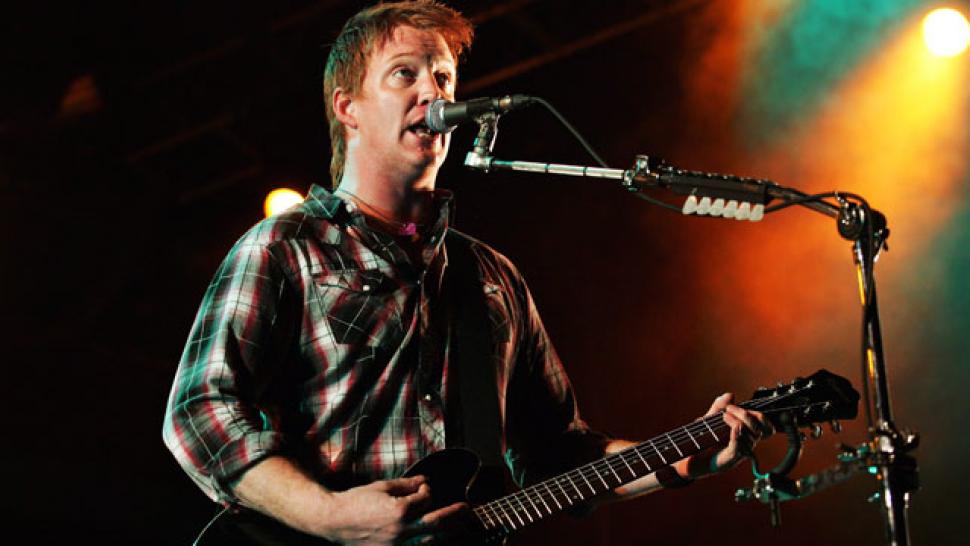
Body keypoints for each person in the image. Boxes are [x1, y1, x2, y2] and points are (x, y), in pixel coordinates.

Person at [163, 1, 769, 544]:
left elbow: (559, 454)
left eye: (443, 76)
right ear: (348, 108)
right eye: (405, 73)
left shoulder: (491, 278)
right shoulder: (287, 246)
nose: (433, 92)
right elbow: (198, 413)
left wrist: (686, 459)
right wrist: (331, 516)